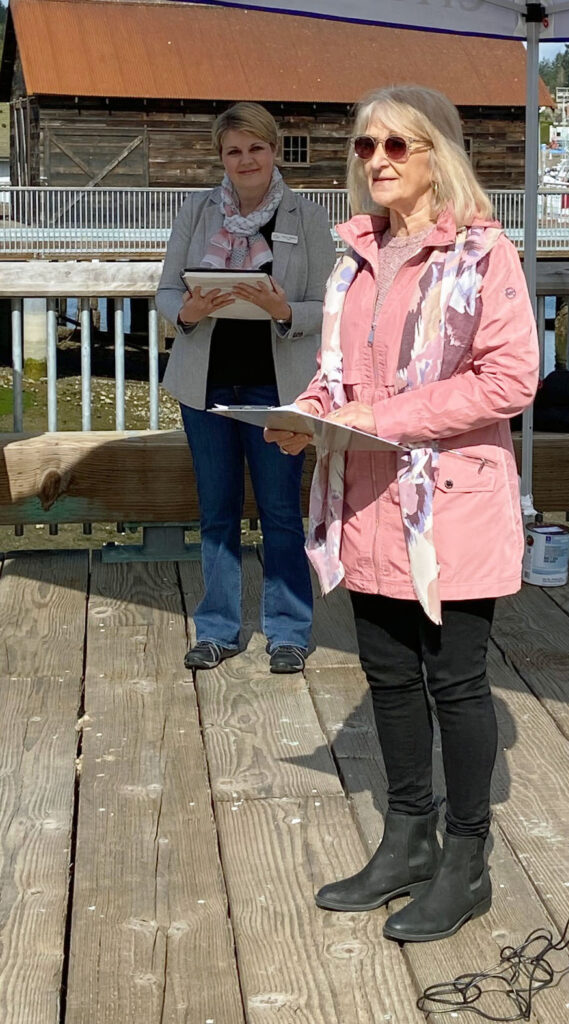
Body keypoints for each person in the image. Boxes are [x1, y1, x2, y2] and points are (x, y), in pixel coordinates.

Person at [265, 84, 539, 942]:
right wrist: (307, 413)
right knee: (387, 677)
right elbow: (345, 374)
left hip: (447, 506)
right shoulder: (354, 255)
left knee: (454, 682)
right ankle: (406, 840)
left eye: (397, 146)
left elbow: (508, 383)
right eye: (363, 146)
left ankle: (467, 860)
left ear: (437, 157)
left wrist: (372, 421)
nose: (377, 160)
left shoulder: (485, 256)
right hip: (367, 498)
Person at [156, 102, 335, 674]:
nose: (245, 159)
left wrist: (286, 311)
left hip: (278, 389)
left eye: (255, 148)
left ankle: (288, 631)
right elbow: (163, 292)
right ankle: (218, 630)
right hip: (203, 386)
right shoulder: (195, 210)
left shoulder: (308, 218)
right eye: (234, 150)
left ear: (274, 150)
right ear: (222, 158)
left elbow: (332, 306)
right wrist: (185, 312)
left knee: (282, 511)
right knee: (217, 511)